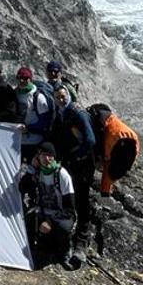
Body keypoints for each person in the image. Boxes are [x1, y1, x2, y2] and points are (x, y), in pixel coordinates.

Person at [18, 142, 80, 270]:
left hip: (61, 215)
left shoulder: (62, 175)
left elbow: (70, 209)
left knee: (63, 227)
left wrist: (50, 222)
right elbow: (22, 188)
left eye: (50, 156)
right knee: (28, 217)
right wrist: (31, 169)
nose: (47, 159)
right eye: (44, 155)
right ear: (38, 157)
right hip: (43, 213)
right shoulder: (37, 172)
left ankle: (65, 252)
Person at [52, 87, 96, 246]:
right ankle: (71, 231)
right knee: (72, 196)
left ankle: (82, 239)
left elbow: (90, 140)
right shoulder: (61, 113)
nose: (61, 99)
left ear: (68, 96)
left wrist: (75, 156)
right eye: (57, 97)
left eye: (63, 96)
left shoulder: (78, 113)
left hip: (83, 164)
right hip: (71, 163)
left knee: (82, 199)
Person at [88, 103, 141, 196]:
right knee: (112, 170)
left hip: (118, 139)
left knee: (110, 168)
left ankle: (104, 193)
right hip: (128, 140)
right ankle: (105, 193)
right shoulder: (131, 146)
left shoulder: (111, 137)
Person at [14, 67, 55, 152]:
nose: (21, 81)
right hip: (17, 140)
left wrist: (28, 128)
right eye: (19, 78)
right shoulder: (15, 93)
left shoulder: (38, 97)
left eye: (25, 78)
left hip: (33, 142)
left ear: (30, 79)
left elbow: (44, 122)